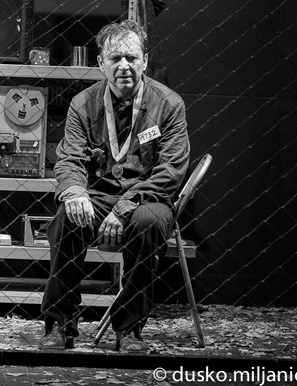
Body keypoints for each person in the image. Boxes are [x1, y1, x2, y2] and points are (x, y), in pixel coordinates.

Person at [39, 20, 189, 351]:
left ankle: (129, 329)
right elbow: (69, 159)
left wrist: (124, 207)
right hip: (98, 197)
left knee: (149, 223)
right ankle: (60, 323)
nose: (124, 66)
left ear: (144, 61)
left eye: (131, 58)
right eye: (115, 58)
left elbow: (171, 170)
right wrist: (75, 192)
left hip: (146, 199)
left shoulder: (168, 104)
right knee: (66, 218)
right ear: (100, 63)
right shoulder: (83, 103)